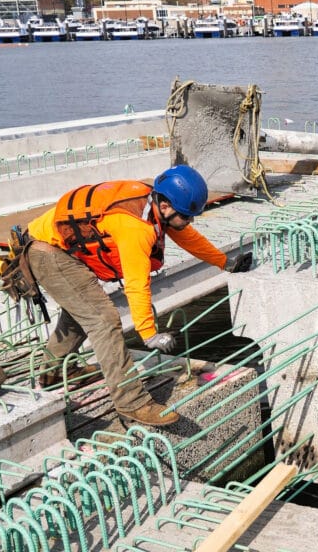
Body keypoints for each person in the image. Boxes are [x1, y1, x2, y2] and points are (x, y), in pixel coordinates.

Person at [25, 164, 253, 426]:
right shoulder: (137, 228)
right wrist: (149, 333)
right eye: (187, 216)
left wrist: (224, 262)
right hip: (46, 252)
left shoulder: (154, 205)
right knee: (102, 319)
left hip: (52, 247)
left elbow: (189, 238)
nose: (190, 221)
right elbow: (136, 284)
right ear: (165, 206)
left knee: (81, 312)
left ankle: (53, 374)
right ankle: (132, 403)